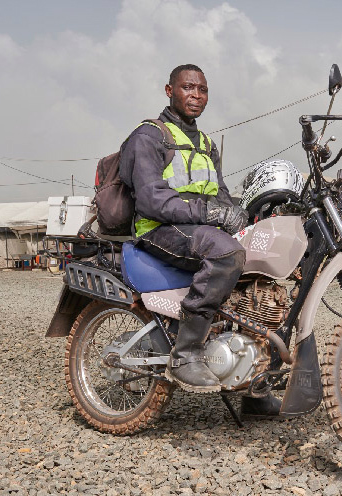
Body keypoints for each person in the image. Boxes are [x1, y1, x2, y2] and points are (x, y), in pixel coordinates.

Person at [119, 64, 281, 416]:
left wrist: (245, 218)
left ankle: (254, 385)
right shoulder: (148, 136)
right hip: (158, 228)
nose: (196, 95)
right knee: (226, 254)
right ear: (169, 91)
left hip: (197, 228)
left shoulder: (206, 143)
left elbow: (220, 195)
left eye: (202, 90)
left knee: (264, 268)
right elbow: (150, 198)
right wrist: (210, 215)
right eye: (188, 88)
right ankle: (186, 353)